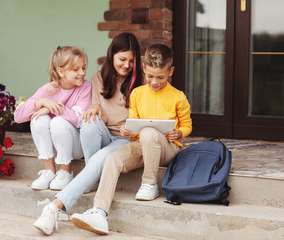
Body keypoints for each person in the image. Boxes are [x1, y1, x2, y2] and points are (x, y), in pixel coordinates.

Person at [71, 44, 192, 235]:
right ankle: (99, 213)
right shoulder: (137, 93)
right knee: (112, 159)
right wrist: (127, 131)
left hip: (168, 148)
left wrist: (179, 133)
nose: (154, 81)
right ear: (143, 68)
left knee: (149, 133)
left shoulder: (178, 96)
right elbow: (135, 123)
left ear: (171, 72)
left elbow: (187, 125)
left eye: (160, 77)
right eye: (150, 76)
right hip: (142, 145)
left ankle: (149, 183)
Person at [33, 32, 143, 235]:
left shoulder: (142, 83)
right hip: (102, 135)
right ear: (111, 56)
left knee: (100, 155)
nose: (127, 65)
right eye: (122, 59)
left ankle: (52, 209)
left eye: (131, 61)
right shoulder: (98, 79)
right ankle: (90, 178)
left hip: (124, 139)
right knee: (89, 120)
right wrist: (94, 110)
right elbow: (94, 107)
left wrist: (134, 128)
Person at [14, 46, 91, 191]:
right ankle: (49, 171)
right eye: (75, 69)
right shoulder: (49, 89)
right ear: (60, 71)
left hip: (76, 145)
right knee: (38, 119)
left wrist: (52, 108)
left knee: (57, 121)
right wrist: (40, 102)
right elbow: (18, 117)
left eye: (83, 68)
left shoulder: (85, 88)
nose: (82, 73)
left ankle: (66, 171)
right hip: (54, 145)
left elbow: (79, 119)